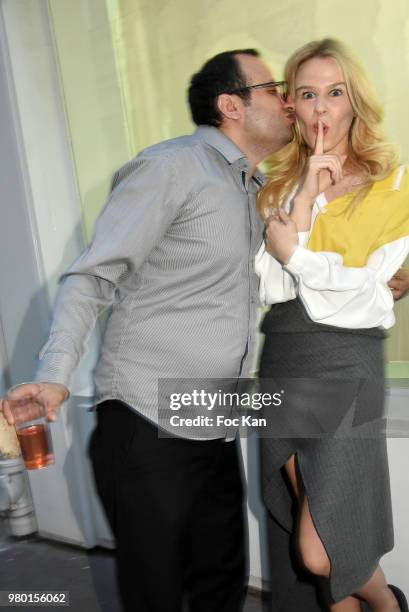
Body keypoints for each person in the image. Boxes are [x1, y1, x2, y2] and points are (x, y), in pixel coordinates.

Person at [0, 49, 294, 612]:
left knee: (220, 585)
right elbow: (92, 277)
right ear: (231, 104)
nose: (287, 99)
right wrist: (54, 374)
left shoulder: (251, 189)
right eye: (275, 87)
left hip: (211, 422)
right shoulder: (172, 167)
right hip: (145, 421)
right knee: (156, 594)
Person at [256, 38, 409, 612]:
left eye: (335, 92)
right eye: (308, 94)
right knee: (318, 532)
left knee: (323, 548)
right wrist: (302, 203)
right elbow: (268, 288)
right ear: (293, 106)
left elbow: (368, 296)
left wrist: (296, 256)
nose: (323, 108)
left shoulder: (396, 187)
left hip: (349, 362)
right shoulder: (278, 185)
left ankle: (390, 604)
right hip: (285, 359)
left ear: (354, 103)